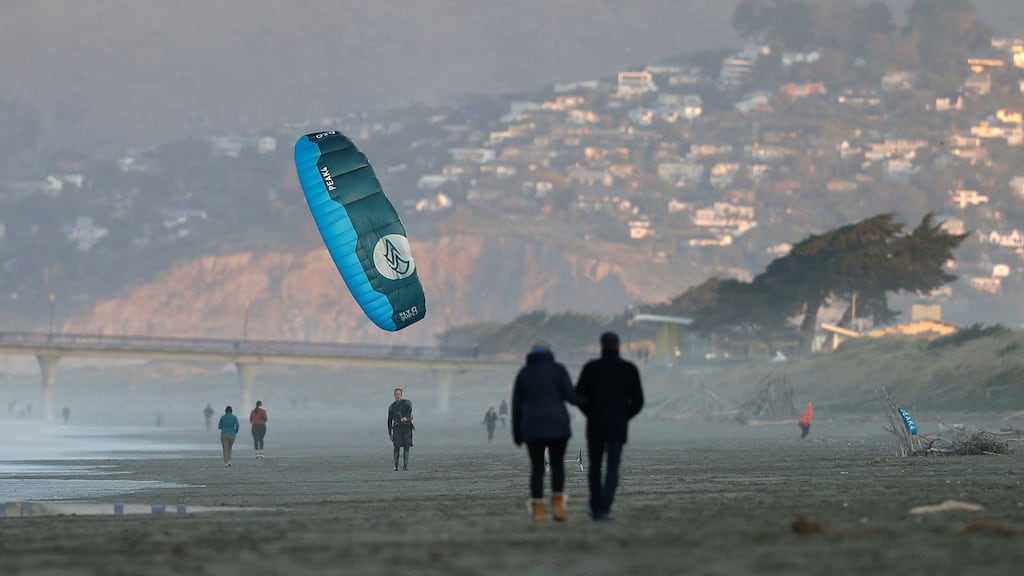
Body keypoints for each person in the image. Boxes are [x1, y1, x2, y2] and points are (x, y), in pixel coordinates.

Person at [574, 332, 644, 522]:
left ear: (601, 346)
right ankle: (605, 506)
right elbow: (638, 401)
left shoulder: (591, 368)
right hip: (618, 426)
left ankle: (597, 506)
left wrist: (590, 413)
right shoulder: (629, 369)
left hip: (595, 425)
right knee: (613, 467)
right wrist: (624, 416)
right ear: (618, 345)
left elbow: (578, 397)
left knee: (595, 468)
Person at [512, 341, 583, 523]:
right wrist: (591, 401)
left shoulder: (524, 373)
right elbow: (571, 397)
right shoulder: (558, 370)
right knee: (558, 465)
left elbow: (516, 406)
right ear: (550, 353)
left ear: (531, 355)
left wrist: (517, 433)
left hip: (532, 427)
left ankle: (538, 511)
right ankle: (558, 508)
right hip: (558, 424)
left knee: (537, 468)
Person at [387, 388, 414, 471]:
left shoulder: (407, 403)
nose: (397, 395)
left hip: (407, 427)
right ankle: (396, 466)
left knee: (406, 446)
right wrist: (390, 433)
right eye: (396, 394)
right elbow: (389, 420)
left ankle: (405, 466)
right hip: (397, 428)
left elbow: (409, 411)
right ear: (394, 395)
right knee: (396, 446)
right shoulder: (392, 406)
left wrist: (406, 417)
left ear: (401, 395)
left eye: (399, 394)